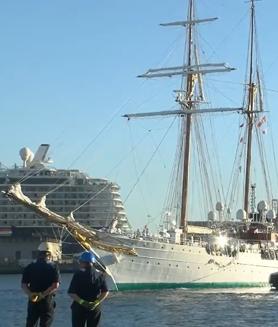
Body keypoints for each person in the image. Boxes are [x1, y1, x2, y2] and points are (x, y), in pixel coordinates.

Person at [21, 242, 60, 327]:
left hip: (33, 300)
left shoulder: (30, 266)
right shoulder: (53, 267)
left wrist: (31, 294)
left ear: (38, 253)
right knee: (45, 323)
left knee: (31, 323)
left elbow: (24, 285)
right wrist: (42, 295)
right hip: (47, 301)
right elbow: (55, 285)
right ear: (49, 254)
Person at [68, 251, 109, 327]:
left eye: (80, 262)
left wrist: (82, 302)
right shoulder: (100, 274)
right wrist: (96, 302)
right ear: (93, 262)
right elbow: (105, 292)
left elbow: (71, 293)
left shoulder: (78, 274)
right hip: (94, 307)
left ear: (83, 262)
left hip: (79, 307)